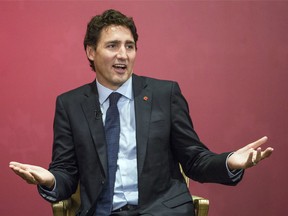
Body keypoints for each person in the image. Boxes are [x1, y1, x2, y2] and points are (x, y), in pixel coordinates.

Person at [9, 9, 273, 216]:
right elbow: (66, 173)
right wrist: (50, 179)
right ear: (91, 51)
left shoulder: (164, 94)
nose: (123, 54)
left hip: (162, 212)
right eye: (112, 45)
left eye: (130, 46)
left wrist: (229, 162)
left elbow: (194, 160)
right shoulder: (70, 104)